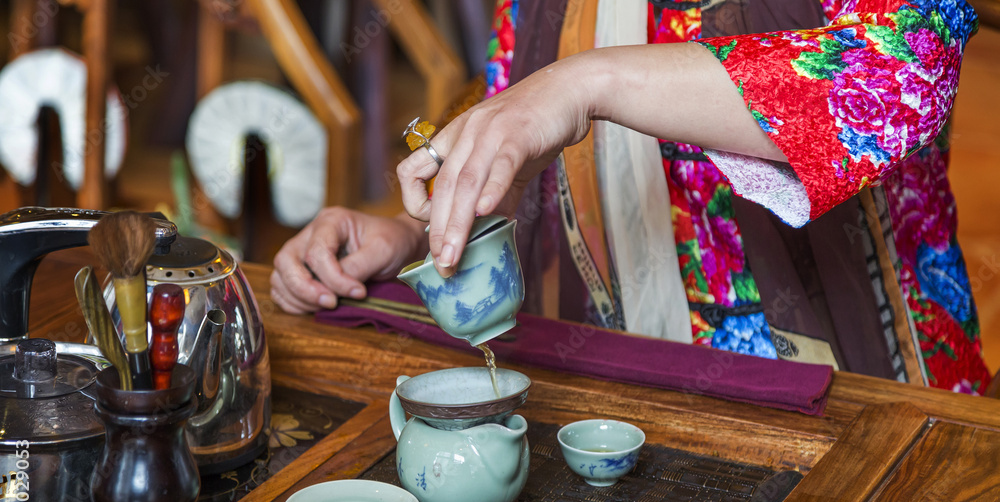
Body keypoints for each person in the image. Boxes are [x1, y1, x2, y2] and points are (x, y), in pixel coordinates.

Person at [272, 0, 991, 394]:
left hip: (848, 381)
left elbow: (907, 67)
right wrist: (414, 236)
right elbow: (518, 110)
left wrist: (588, 82)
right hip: (615, 383)